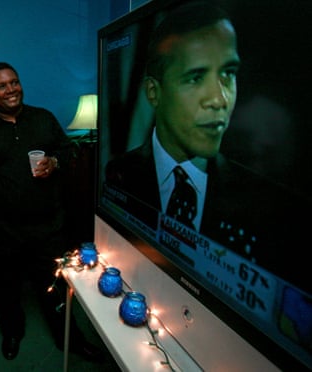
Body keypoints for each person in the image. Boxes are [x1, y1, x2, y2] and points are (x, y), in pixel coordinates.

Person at [103, 1, 305, 265]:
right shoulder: (119, 172)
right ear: (154, 92)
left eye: (228, 74)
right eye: (195, 77)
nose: (219, 100)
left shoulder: (271, 206)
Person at [0, 62, 105, 362]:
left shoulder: (43, 119)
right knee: (4, 286)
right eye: (1, 86)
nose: (10, 89)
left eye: (14, 82)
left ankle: (70, 338)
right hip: (1, 228)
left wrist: (55, 162)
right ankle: (12, 333)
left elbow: (67, 150)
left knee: (55, 285)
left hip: (47, 225)